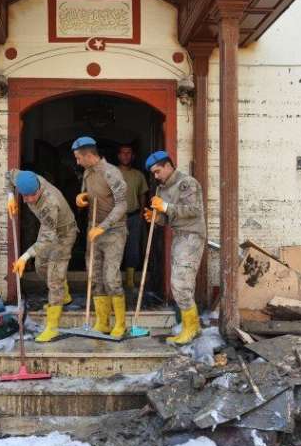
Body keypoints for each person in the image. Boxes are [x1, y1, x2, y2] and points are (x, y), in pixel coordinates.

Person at [6, 169, 77, 342]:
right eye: (24, 196)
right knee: (40, 266)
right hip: (47, 229)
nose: (27, 200)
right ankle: (63, 293)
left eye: (31, 196)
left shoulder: (49, 203)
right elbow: (8, 175)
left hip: (63, 234)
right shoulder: (25, 179)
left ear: (39, 189)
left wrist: (24, 257)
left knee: (54, 278)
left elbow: (47, 238)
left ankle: (52, 327)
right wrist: (10, 196)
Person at [144, 151, 206, 344]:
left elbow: (194, 211)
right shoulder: (162, 189)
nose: (155, 176)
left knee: (180, 284)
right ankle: (191, 328)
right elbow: (168, 218)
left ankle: (192, 328)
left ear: (169, 166)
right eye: (153, 173)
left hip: (192, 236)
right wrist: (156, 218)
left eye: (157, 171)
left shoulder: (187, 183)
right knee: (182, 284)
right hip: (180, 236)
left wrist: (165, 207)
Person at [72, 136, 129, 338]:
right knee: (94, 277)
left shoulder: (111, 173)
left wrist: (103, 227)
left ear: (89, 155)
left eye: (79, 158)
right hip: (92, 228)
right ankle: (102, 322)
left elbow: (123, 205)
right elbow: (89, 194)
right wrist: (82, 197)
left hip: (113, 231)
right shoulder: (87, 172)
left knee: (111, 278)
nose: (77, 162)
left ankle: (120, 324)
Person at [117, 144, 149, 290]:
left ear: (133, 156)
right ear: (119, 156)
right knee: (115, 248)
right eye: (123, 153)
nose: (126, 156)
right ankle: (114, 280)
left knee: (133, 248)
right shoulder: (113, 173)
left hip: (134, 216)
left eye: (128, 153)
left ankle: (130, 280)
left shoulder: (138, 175)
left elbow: (142, 195)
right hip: (116, 218)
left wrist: (142, 214)